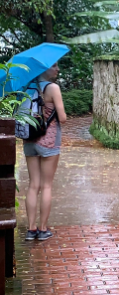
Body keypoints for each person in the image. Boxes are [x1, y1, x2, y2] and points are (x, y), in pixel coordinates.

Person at [22, 64, 66, 242]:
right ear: (44, 69)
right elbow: (62, 117)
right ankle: (42, 229)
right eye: (53, 66)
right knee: (46, 186)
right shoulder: (53, 88)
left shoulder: (27, 86)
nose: (57, 70)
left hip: (30, 139)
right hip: (49, 140)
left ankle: (31, 230)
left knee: (34, 185)